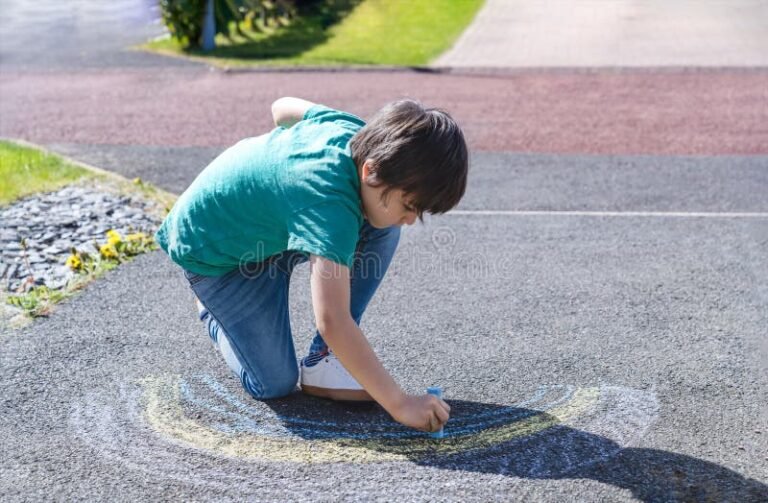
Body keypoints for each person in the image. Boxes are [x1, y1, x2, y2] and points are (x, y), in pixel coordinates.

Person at [155, 97, 468, 433]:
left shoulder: (357, 136)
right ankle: (213, 311)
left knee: (383, 226)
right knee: (274, 382)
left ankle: (325, 359)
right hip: (219, 256)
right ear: (371, 169)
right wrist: (399, 403)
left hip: (273, 228)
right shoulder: (327, 203)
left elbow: (281, 107)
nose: (410, 220)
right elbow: (331, 319)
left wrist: (278, 178)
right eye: (409, 205)